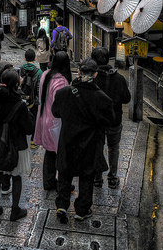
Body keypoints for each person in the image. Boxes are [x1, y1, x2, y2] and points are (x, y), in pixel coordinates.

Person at [52, 58, 115, 223]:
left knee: (65, 173)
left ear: (78, 72)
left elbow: (56, 112)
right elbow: (110, 121)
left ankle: (62, 205)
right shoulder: (103, 99)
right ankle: (82, 209)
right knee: (87, 176)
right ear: (95, 74)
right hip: (90, 143)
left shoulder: (63, 93)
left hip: (68, 140)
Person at [0, 69, 34, 221]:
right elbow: (28, 129)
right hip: (16, 145)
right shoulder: (20, 104)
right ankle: (15, 210)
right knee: (16, 176)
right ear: (15, 84)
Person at [92, 46, 131, 189]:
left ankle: (97, 178)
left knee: (97, 147)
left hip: (97, 122)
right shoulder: (119, 78)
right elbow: (127, 99)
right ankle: (113, 178)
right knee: (113, 148)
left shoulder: (92, 79)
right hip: (115, 120)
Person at [34, 51, 71, 190]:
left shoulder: (45, 74)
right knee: (59, 153)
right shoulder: (61, 81)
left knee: (49, 153)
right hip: (55, 122)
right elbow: (61, 104)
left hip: (44, 117)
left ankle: (49, 181)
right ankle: (59, 183)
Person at [19, 48, 43, 134]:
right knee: (34, 117)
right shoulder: (39, 72)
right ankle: (33, 138)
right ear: (35, 58)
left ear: (25, 58)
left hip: (23, 96)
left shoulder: (22, 68)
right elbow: (38, 87)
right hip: (34, 98)